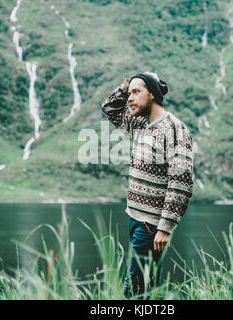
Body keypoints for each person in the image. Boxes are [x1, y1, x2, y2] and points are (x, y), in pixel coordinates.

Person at [101, 72, 194, 298]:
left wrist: (164, 228)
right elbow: (110, 107)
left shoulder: (175, 129)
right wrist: (129, 82)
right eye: (129, 93)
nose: (130, 98)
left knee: (131, 289)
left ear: (152, 94)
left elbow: (181, 182)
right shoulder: (140, 125)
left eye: (136, 92)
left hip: (151, 226)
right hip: (134, 218)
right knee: (148, 287)